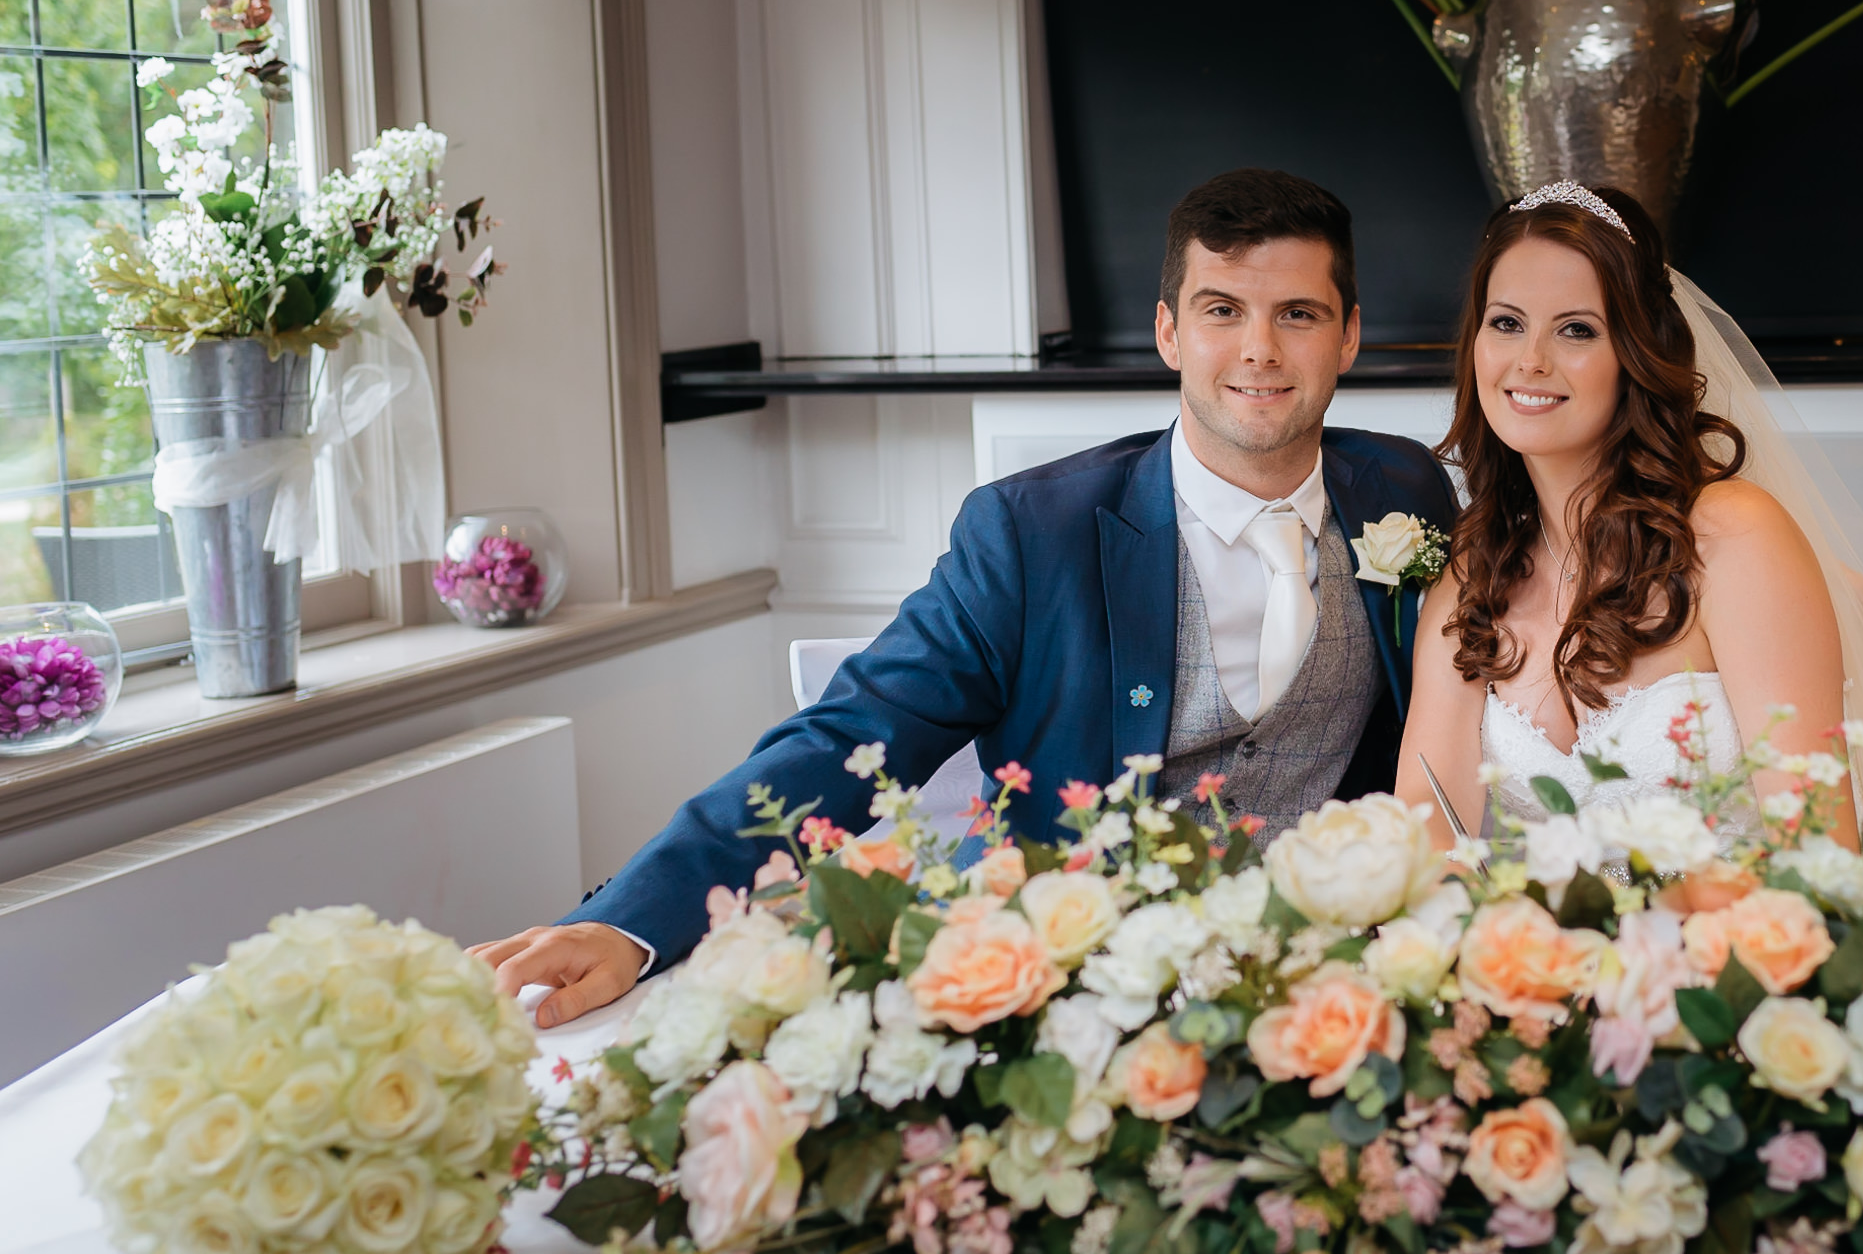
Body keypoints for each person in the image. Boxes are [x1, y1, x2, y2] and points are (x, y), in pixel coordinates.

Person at [477, 169, 1458, 1025]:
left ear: (1349, 334)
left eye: (1297, 313)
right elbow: (843, 738)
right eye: (1220, 310)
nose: (1260, 349)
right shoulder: (1033, 534)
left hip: (1332, 977)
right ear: (1167, 331)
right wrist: (626, 922)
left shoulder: (1402, 492)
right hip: (1080, 982)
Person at [1398, 180, 1863, 845]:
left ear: (1636, 350)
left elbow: (1819, 850)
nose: (1530, 360)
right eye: (1506, 322)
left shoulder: (1735, 538)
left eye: (1576, 330)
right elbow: (1424, 835)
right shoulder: (1475, 572)